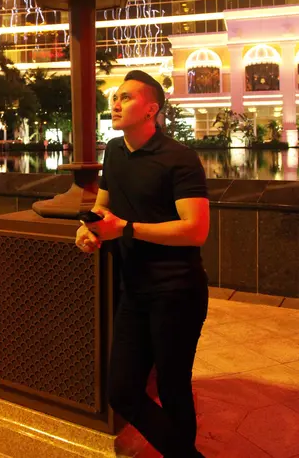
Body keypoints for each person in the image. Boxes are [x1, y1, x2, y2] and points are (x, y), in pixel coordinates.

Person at [76, 70, 209, 458]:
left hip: (177, 290)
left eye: (127, 98)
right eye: (115, 97)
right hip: (133, 290)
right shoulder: (115, 150)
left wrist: (127, 229)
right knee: (123, 390)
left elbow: (195, 230)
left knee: (172, 387)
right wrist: (92, 231)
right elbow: (103, 205)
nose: (115, 104)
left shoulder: (179, 158)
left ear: (151, 109)